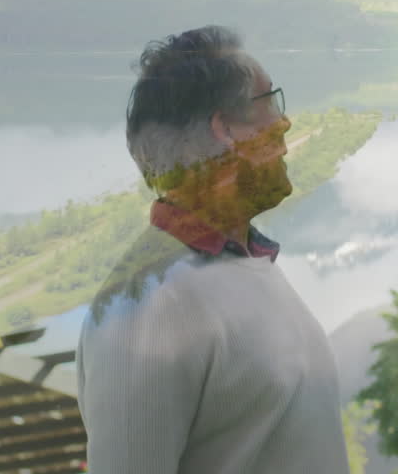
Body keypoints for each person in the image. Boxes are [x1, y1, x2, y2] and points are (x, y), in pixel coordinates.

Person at [75, 25, 350, 474]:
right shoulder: (147, 307)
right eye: (269, 102)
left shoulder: (245, 263)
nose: (284, 121)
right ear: (226, 129)